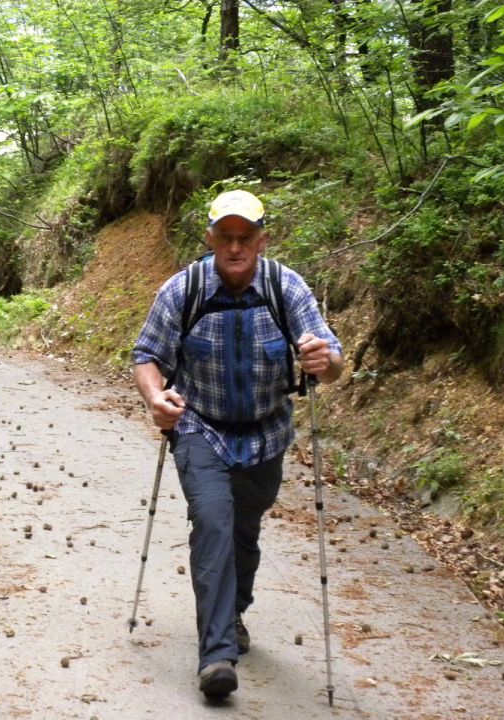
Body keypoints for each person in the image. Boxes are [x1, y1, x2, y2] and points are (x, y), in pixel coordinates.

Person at [132, 189, 343, 701]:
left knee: (243, 533)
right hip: (200, 425)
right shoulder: (183, 291)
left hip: (266, 433)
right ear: (208, 239)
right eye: (224, 237)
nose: (234, 247)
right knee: (213, 522)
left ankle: (233, 613)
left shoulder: (284, 288)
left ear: (261, 240)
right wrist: (156, 397)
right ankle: (217, 656)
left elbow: (330, 357)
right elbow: (147, 356)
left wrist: (324, 361)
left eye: (244, 237)